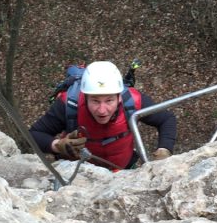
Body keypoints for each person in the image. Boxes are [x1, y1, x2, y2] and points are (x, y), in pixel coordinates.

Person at [29, 60, 177, 169]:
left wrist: (164, 150)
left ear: (119, 97)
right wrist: (57, 145)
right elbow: (33, 134)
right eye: (95, 101)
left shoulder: (133, 101)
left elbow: (166, 119)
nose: (102, 110)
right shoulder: (70, 104)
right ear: (84, 97)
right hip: (79, 176)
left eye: (109, 100)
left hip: (123, 171)